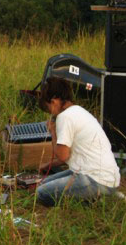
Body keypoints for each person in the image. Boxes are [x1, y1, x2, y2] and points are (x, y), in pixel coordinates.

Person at [36, 76, 120, 207]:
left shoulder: (65, 117)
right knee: (42, 183)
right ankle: (104, 194)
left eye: (48, 108)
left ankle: (97, 199)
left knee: (41, 193)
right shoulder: (79, 111)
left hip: (95, 179)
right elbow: (68, 155)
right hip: (105, 177)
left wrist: (53, 132)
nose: (51, 114)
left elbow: (62, 156)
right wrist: (48, 165)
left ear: (54, 101)